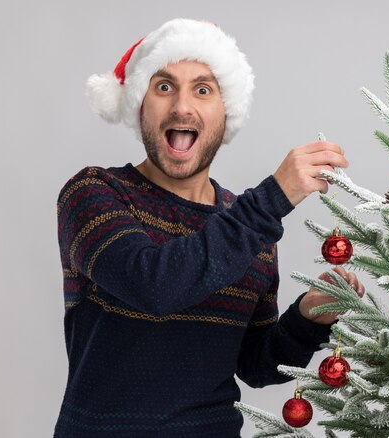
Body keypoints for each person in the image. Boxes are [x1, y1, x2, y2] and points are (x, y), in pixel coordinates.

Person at [55, 18, 364, 437]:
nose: (182, 107)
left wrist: (308, 317)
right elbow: (153, 285)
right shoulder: (94, 193)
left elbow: (255, 365)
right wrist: (271, 200)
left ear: (226, 111)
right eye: (164, 87)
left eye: (203, 90)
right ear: (140, 106)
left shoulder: (248, 225)